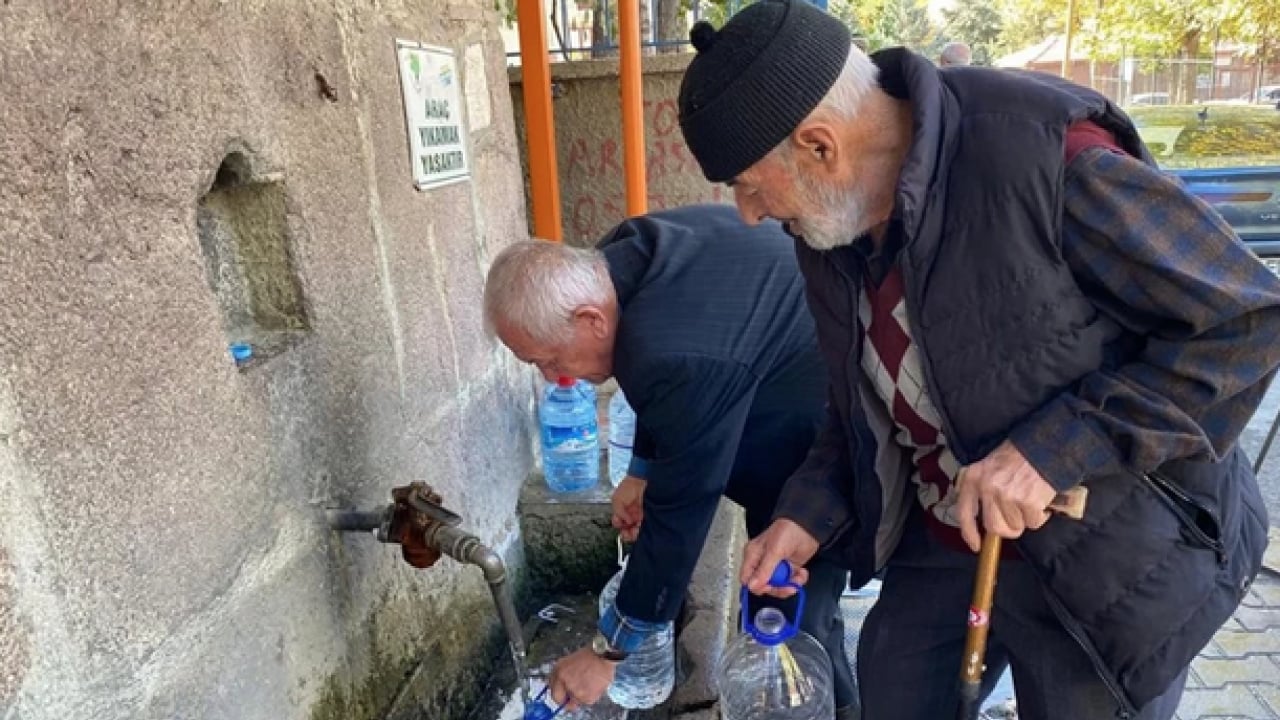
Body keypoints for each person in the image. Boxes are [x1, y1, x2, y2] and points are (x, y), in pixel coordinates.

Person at [675, 2, 1280, 719]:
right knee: (896, 693)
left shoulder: (1044, 155)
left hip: (1105, 549)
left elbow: (1246, 320)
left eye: (748, 185)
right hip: (947, 538)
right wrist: (804, 515)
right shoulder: (828, 227)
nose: (746, 213)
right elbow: (859, 404)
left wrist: (1057, 449)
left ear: (819, 145)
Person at [482, 205, 860, 718]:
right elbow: (659, 386)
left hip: (827, 442)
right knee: (782, 603)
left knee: (792, 622)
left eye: (548, 359)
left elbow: (680, 517)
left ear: (590, 320)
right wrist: (642, 469)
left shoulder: (671, 354)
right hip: (784, 385)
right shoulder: (624, 254)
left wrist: (608, 651)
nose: (551, 377)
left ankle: (827, 706)